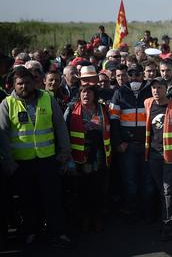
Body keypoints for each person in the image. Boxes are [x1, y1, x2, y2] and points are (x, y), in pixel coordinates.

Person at [0, 66, 74, 247]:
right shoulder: (6, 104)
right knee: (27, 201)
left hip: (47, 160)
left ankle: (58, 233)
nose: (24, 86)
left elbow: (60, 127)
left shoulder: (48, 98)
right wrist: (9, 162)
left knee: (53, 199)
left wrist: (65, 151)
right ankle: (31, 232)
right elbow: (2, 135)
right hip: (22, 163)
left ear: (34, 82)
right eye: (20, 84)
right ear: (14, 85)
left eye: (27, 82)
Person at [109, 64, 154, 223]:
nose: (134, 77)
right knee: (130, 183)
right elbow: (113, 121)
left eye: (137, 74)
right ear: (127, 75)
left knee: (148, 183)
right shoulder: (119, 93)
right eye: (131, 74)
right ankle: (134, 213)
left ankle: (148, 213)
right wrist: (119, 142)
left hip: (147, 145)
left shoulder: (150, 91)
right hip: (128, 147)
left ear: (143, 75)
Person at [65, 85, 111, 233]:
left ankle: (97, 218)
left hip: (99, 153)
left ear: (94, 94)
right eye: (83, 92)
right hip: (80, 154)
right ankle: (85, 218)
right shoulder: (72, 108)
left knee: (98, 187)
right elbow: (64, 130)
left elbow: (109, 128)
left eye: (89, 92)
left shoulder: (102, 109)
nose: (86, 95)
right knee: (83, 188)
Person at [144, 77, 172, 241]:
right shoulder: (148, 103)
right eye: (153, 88)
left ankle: (168, 224)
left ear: (166, 89)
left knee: (167, 190)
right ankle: (166, 215)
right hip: (153, 154)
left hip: (171, 155)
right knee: (162, 189)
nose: (156, 91)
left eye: (159, 88)